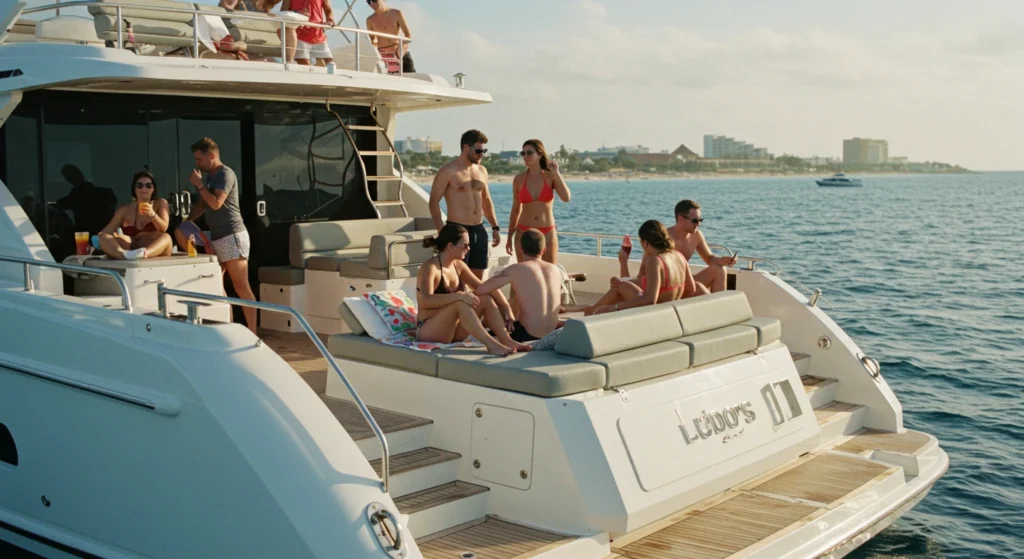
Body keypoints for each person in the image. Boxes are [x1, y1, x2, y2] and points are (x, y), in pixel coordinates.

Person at [415, 224, 532, 356]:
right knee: (461, 302)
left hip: (453, 330)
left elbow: (484, 287)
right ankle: (492, 345)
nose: (469, 249)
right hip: (429, 330)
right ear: (450, 246)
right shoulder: (430, 268)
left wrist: (506, 307)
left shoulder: (458, 265)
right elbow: (426, 301)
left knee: (484, 298)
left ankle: (507, 340)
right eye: (465, 245)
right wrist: (459, 295)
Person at [183, 137, 258, 334]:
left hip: (232, 235)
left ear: (212, 156)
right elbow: (204, 205)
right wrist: (185, 220)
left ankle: (253, 333)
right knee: (216, 284)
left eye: (199, 159)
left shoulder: (225, 174)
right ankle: (229, 329)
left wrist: (199, 185)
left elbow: (216, 203)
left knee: (241, 286)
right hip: (218, 236)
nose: (196, 164)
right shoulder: (211, 177)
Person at [429, 129, 501, 279]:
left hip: (479, 230)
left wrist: (494, 227)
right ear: (466, 148)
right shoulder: (448, 171)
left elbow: (486, 200)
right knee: (457, 278)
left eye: (484, 150)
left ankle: (475, 302)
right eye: (478, 150)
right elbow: (434, 201)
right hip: (457, 229)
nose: (482, 154)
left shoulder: (482, 170)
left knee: (477, 278)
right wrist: (441, 230)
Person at [586, 220, 692, 315]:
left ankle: (593, 312)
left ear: (645, 242)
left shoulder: (655, 260)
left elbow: (650, 300)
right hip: (670, 310)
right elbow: (691, 288)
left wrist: (614, 307)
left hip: (656, 314)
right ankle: (593, 310)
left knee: (620, 289)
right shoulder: (679, 255)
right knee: (622, 285)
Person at [476, 229, 563, 343]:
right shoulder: (556, 269)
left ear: (521, 250)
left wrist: (504, 307)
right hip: (552, 333)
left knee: (484, 300)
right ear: (544, 250)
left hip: (528, 335)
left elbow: (480, 290)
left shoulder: (516, 269)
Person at [506, 139, 571, 265]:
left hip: (547, 231)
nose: (525, 157)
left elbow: (566, 198)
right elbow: (515, 209)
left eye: (529, 153)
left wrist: (557, 174)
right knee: (524, 275)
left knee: (549, 273)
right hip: (523, 232)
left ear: (540, 154)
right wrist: (509, 236)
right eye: (523, 153)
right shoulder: (518, 179)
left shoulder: (550, 176)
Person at [97, 171, 173, 260]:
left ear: (153, 189)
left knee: (166, 237)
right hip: (131, 248)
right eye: (139, 186)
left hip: (153, 249)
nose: (144, 189)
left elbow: (163, 228)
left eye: (148, 186)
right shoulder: (125, 210)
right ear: (134, 189)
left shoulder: (160, 203)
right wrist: (118, 237)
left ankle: (142, 254)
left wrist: (152, 214)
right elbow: (106, 232)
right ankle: (124, 255)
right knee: (102, 237)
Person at [670, 199, 737, 293]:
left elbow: (709, 259)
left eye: (700, 220)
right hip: (669, 285)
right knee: (699, 289)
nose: (699, 224)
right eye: (695, 221)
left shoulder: (696, 235)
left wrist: (723, 260)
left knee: (719, 269)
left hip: (685, 282)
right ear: (681, 219)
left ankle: (720, 304)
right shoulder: (665, 237)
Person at [278, 0, 334, 66]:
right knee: (304, 64)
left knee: (330, 63)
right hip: (300, 35)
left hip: (318, 35)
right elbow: (283, 12)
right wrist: (297, 13)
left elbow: (328, 9)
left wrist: (330, 20)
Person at [365, 0, 414, 74]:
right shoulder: (370, 20)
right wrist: (373, 43)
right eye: (368, 1)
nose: (371, 4)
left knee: (413, 83)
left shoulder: (396, 13)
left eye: (374, 0)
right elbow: (373, 39)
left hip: (401, 56)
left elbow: (408, 35)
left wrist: (401, 49)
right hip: (385, 58)